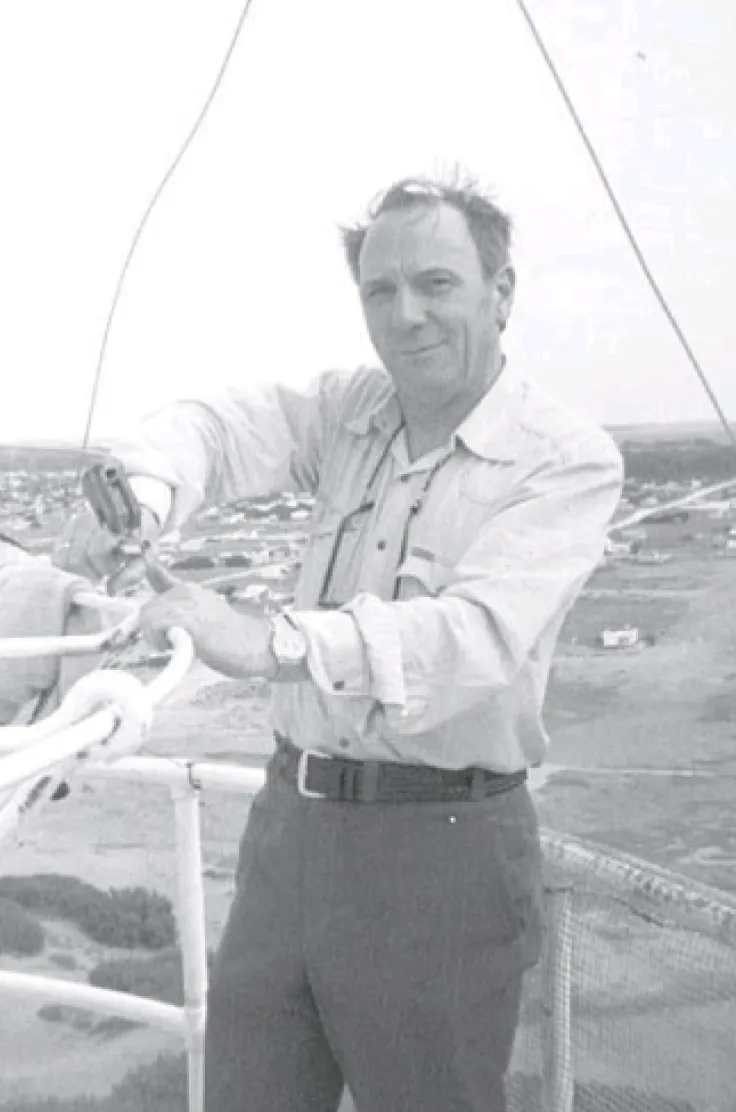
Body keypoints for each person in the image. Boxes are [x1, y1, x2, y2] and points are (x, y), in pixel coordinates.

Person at [54, 174, 624, 1111]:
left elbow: (473, 636)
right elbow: (221, 430)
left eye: (436, 284)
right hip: (293, 832)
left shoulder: (565, 458)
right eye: (379, 290)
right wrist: (149, 489)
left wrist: (267, 642)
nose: (406, 316)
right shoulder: (352, 413)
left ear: (503, 292)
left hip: (441, 847)